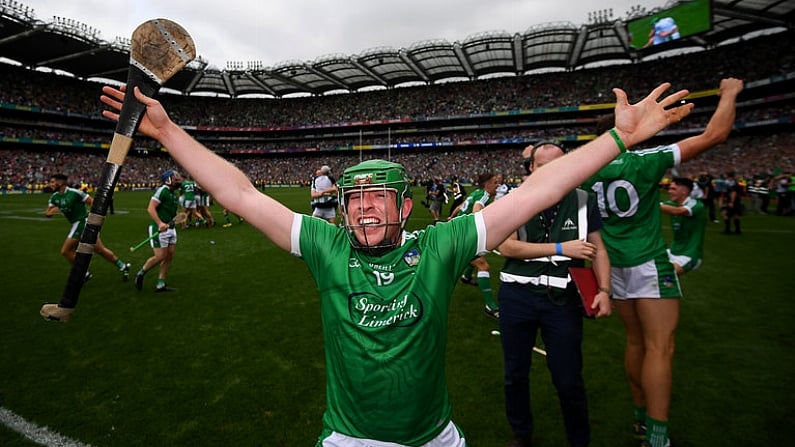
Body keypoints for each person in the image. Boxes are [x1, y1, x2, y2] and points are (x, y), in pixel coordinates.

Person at [99, 80, 693, 446]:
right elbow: (241, 195)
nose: (364, 210)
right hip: (348, 440)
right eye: (355, 200)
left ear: (405, 206)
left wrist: (616, 141)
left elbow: (535, 193)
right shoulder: (327, 245)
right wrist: (169, 132)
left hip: (434, 437)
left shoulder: (439, 245)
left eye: (378, 198)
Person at [582, 77, 743, 447]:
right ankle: (658, 435)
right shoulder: (646, 159)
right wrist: (730, 93)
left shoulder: (588, 168)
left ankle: (640, 418)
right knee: (660, 347)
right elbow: (715, 135)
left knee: (635, 342)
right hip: (649, 263)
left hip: (610, 266)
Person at [497, 142, 612, 447]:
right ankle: (521, 433)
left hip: (563, 300)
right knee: (515, 373)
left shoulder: (584, 199)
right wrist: (561, 249)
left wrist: (604, 290)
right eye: (545, 165)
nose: (554, 172)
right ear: (532, 168)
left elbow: (599, 249)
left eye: (561, 164)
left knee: (568, 378)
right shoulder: (515, 198)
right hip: (517, 294)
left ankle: (579, 440)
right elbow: (506, 247)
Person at [44, 173, 131, 283]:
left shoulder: (75, 193)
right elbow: (47, 212)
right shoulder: (54, 197)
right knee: (99, 249)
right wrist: (51, 211)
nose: (50, 184)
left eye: (52, 182)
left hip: (82, 222)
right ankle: (123, 266)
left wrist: (96, 219)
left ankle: (83, 273)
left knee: (66, 251)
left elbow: (93, 202)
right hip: (77, 224)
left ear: (60, 183)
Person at [449, 172, 501, 319]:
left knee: (479, 252)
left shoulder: (475, 193)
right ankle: (490, 306)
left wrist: (451, 217)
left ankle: (466, 277)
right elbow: (476, 210)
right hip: (461, 236)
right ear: (487, 184)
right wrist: (482, 226)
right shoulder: (483, 195)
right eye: (495, 182)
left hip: (455, 231)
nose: (497, 185)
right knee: (483, 265)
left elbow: (460, 207)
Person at [134, 169, 183, 292]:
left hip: (171, 229)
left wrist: (178, 217)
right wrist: (160, 223)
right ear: (168, 180)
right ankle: (141, 273)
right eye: (175, 177)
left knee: (169, 256)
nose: (178, 179)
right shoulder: (163, 191)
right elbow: (151, 208)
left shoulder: (173, 194)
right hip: (159, 229)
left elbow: (171, 211)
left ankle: (161, 283)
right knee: (160, 256)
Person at [660, 177, 706, 276]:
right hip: (672, 251)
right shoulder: (673, 204)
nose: (669, 191)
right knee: (643, 267)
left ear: (684, 191)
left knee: (663, 276)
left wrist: (651, 205)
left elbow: (679, 211)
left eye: (673, 189)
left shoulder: (696, 204)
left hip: (688, 255)